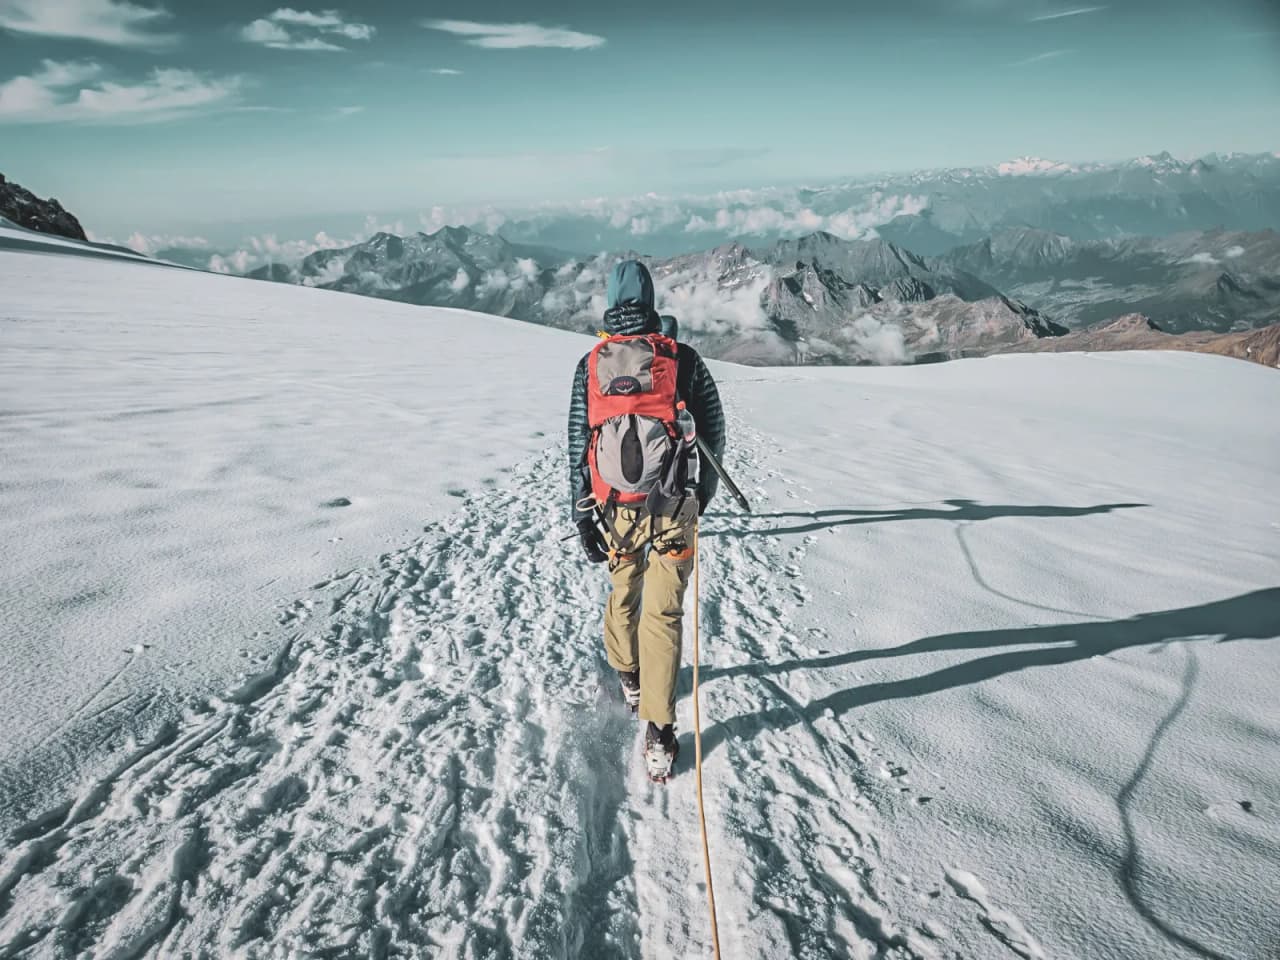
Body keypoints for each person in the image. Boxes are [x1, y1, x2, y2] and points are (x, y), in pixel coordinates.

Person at [567, 260, 726, 782]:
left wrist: (582, 512)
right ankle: (659, 732)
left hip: (616, 507)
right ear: (652, 300)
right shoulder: (682, 358)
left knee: (624, 590)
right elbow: (713, 430)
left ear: (609, 304)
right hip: (673, 504)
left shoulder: (591, 365)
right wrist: (700, 494)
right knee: (663, 614)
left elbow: (578, 445)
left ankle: (630, 676)